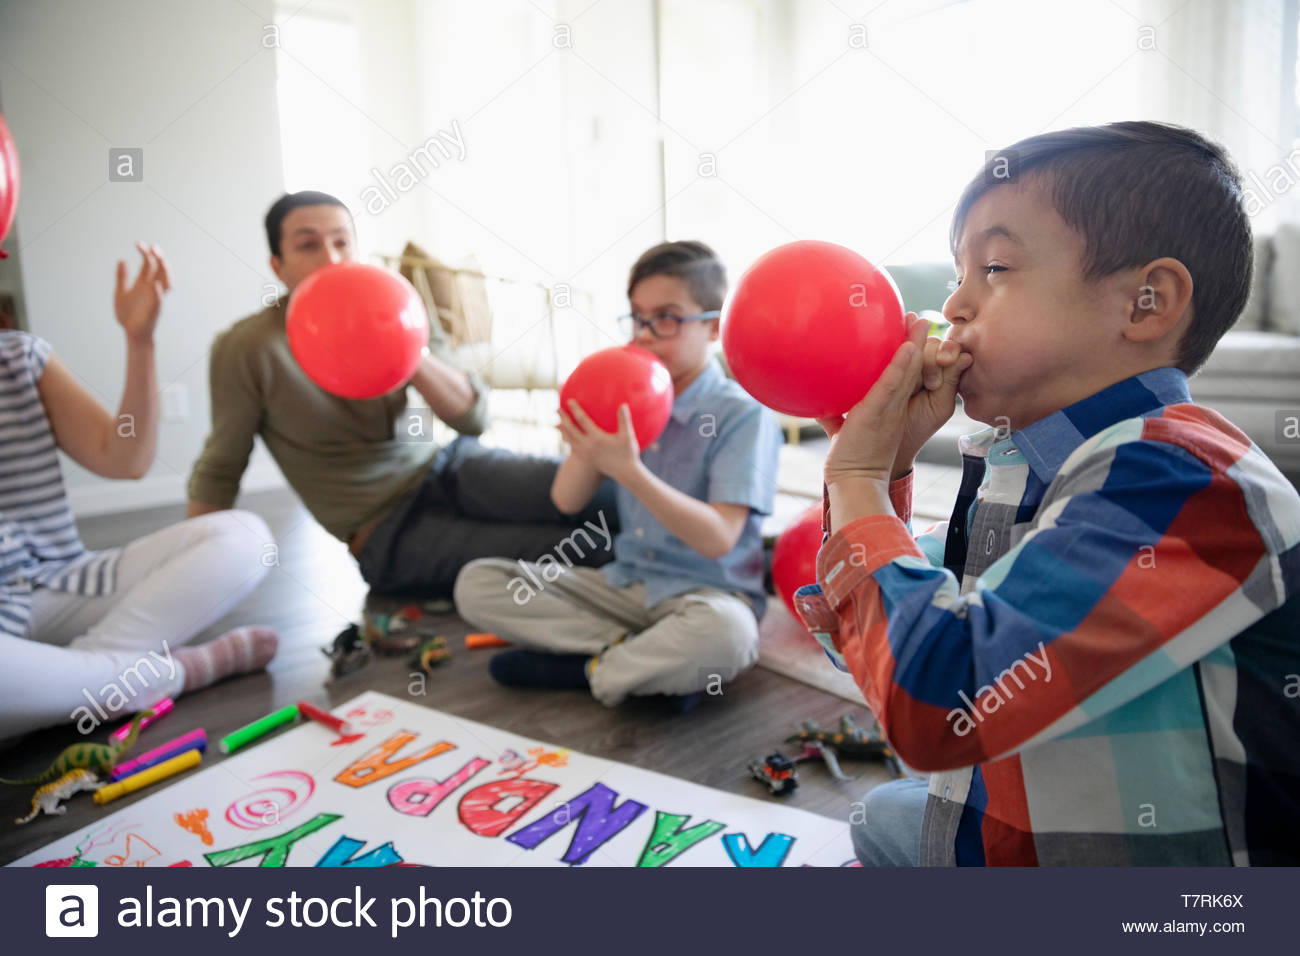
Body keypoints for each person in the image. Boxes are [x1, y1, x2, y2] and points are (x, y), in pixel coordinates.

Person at [796, 121, 1300, 866]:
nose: (956, 305)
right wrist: (889, 474)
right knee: (886, 817)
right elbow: (874, 647)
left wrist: (858, 481)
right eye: (957, 273)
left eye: (995, 267)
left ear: (1146, 303)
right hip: (1025, 830)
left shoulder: (1184, 475)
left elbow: (942, 705)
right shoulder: (1020, 468)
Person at [186, 191, 614, 597]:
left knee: (609, 498)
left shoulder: (397, 305)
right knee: (586, 549)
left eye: (342, 242)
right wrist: (193, 589)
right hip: (386, 530)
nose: (331, 259)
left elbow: (473, 419)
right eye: (309, 246)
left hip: (447, 466)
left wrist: (407, 350)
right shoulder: (248, 347)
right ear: (278, 266)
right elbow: (221, 467)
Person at [454, 241, 782, 710]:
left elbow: (717, 540)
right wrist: (586, 444)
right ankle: (642, 667)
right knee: (478, 582)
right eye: (637, 317)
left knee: (727, 637)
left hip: (710, 598)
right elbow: (566, 500)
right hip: (626, 588)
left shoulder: (740, 415)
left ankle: (590, 668)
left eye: (667, 318)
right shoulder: (625, 395)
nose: (646, 335)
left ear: (712, 326)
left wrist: (629, 471)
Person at [1, 245, 277, 742]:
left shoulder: (17, 357)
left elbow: (125, 458)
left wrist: (140, 341)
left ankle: (95, 677)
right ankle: (169, 673)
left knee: (246, 537)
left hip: (56, 583)